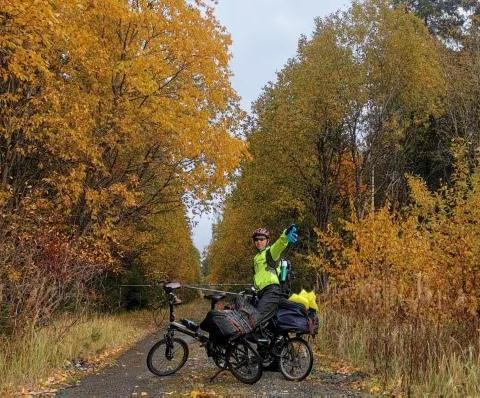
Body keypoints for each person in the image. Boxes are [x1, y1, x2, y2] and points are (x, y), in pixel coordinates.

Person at [251, 224, 298, 323]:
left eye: (262, 239)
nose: (258, 241)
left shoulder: (270, 253)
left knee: (255, 320)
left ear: (267, 241)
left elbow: (278, 245)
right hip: (260, 293)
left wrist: (285, 235)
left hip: (271, 292)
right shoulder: (256, 257)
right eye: (256, 239)